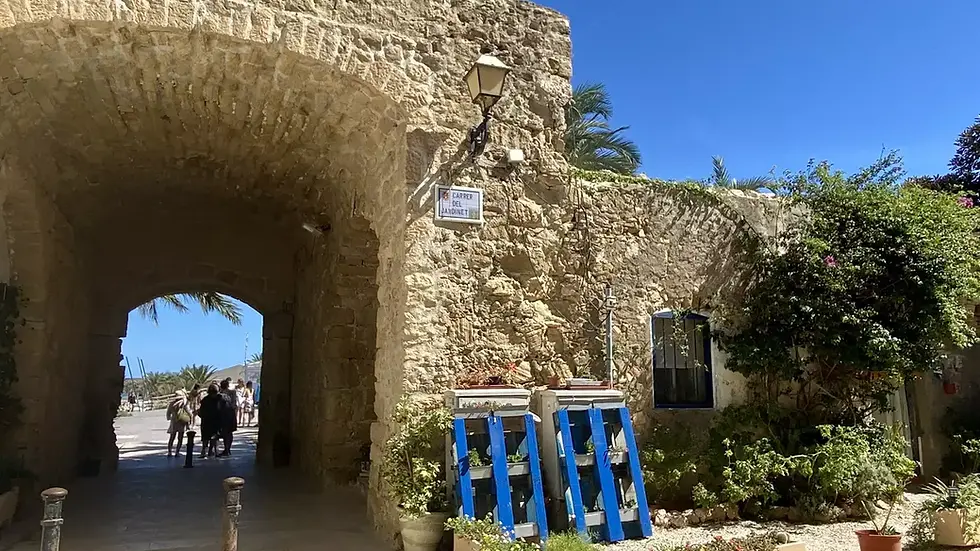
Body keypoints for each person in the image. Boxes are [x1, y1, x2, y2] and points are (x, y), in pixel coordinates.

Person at [197, 384, 223, 458]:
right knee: (211, 437)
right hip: (212, 421)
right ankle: (211, 451)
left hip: (208, 421)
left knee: (208, 437)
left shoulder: (205, 400)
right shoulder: (219, 399)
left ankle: (207, 451)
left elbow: (200, 412)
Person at [166, 389, 192, 457]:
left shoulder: (172, 403)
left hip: (174, 421)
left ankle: (169, 451)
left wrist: (169, 418)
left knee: (172, 437)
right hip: (182, 422)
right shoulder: (184, 403)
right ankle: (177, 452)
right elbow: (189, 412)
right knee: (180, 438)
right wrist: (190, 420)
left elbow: (168, 413)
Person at [218, 378, 238, 456]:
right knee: (230, 432)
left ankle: (226, 449)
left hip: (223, 415)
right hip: (231, 414)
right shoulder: (233, 392)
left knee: (225, 432)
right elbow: (234, 404)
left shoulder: (220, 395)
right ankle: (228, 449)